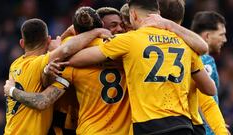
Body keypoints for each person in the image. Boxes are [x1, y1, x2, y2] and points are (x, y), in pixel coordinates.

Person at [65, 0, 216, 134]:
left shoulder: (129, 40)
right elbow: (211, 89)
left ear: (134, 15)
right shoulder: (184, 42)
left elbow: (75, 59)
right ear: (158, 14)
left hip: (149, 125)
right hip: (182, 125)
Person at [4, 7, 131, 135]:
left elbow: (63, 52)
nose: (120, 29)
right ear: (103, 28)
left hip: (87, 129)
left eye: (122, 25)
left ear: (22, 43)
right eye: (113, 25)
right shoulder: (128, 53)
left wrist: (11, 90)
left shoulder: (65, 62)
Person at [191, 11, 228, 135]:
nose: (225, 39)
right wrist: (214, 129)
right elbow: (205, 101)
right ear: (207, 36)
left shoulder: (187, 58)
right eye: (221, 34)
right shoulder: (205, 62)